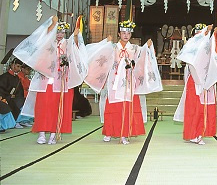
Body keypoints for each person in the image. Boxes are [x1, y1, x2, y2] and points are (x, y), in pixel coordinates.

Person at [85, 20, 162, 145]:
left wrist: (147, 47)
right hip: (114, 81)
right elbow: (101, 57)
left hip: (128, 82)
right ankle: (110, 132)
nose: (126, 35)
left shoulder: (135, 49)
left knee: (126, 107)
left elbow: (142, 58)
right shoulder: (113, 47)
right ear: (119, 33)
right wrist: (106, 43)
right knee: (113, 106)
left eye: (128, 33)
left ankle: (124, 133)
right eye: (123, 32)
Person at [13, 16, 88, 144]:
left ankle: (54, 133)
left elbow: (76, 52)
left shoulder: (67, 44)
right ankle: (41, 132)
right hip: (45, 80)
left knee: (56, 107)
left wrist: (76, 36)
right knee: (43, 106)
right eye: (57, 31)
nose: (59, 34)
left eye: (62, 32)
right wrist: (53, 24)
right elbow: (44, 36)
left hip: (61, 81)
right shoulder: (47, 43)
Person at [174, 24, 217, 145]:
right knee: (195, 108)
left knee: (205, 107)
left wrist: (216, 34)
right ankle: (193, 134)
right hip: (196, 80)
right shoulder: (191, 43)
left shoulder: (208, 44)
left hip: (208, 79)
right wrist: (198, 81)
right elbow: (191, 63)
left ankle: (201, 132)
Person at [0, 58, 24, 128]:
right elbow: (1, 88)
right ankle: (13, 122)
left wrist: (16, 96)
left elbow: (20, 91)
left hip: (13, 97)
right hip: (5, 97)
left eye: (20, 67)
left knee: (22, 101)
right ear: (12, 65)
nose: (19, 69)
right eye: (17, 66)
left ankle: (19, 121)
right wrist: (9, 96)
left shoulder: (16, 78)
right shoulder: (4, 77)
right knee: (10, 103)